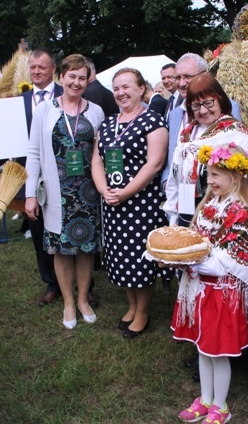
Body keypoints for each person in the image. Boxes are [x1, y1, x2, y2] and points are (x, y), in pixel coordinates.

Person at [172, 143, 248, 424]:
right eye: (209, 174)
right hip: (199, 288)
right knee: (201, 346)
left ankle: (220, 405)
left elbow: (234, 259)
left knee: (217, 352)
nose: (210, 181)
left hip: (221, 292)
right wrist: (180, 256)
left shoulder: (239, 211)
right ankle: (205, 399)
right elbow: (197, 241)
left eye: (217, 175)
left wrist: (192, 262)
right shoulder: (210, 204)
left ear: (236, 177)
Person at [25, 54, 104, 330]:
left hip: (88, 191)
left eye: (82, 77)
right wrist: (30, 194)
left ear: (88, 79)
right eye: (72, 76)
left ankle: (83, 299)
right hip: (57, 191)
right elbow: (33, 153)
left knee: (85, 249)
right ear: (61, 77)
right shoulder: (45, 110)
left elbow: (101, 152)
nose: (77, 82)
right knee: (60, 249)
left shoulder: (95, 111)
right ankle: (68, 302)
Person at [91, 68, 169, 338]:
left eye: (126, 87)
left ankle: (143, 311)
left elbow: (154, 164)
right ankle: (132, 305)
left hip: (141, 204)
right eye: (116, 88)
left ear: (140, 89)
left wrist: (125, 192)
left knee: (139, 260)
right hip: (113, 203)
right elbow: (97, 160)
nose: (121, 93)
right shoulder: (108, 123)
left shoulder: (153, 121)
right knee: (121, 257)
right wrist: (104, 190)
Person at [164, 73, 248, 228]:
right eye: (196, 105)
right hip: (185, 213)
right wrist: (173, 214)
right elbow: (174, 176)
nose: (203, 111)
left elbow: (247, 181)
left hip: (219, 218)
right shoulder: (188, 133)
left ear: (220, 100)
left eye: (208, 103)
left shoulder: (237, 134)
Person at [21, 48, 63, 306]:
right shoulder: (19, 100)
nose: (36, 72)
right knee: (39, 230)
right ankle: (51, 281)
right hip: (31, 173)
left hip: (63, 175)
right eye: (33, 67)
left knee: (69, 227)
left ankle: (84, 283)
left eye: (41, 68)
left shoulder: (67, 94)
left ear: (53, 69)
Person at [162, 53, 242, 185]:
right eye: (177, 78)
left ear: (206, 75)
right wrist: (166, 183)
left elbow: (236, 151)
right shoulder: (175, 114)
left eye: (188, 77)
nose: (181, 83)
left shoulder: (229, 107)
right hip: (179, 197)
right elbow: (171, 157)